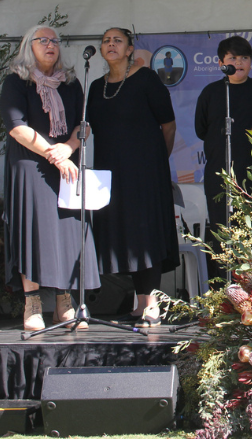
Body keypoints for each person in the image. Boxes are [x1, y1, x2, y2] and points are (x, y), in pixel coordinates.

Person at [0, 25, 98, 331]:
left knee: (69, 233)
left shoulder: (70, 84)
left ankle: (64, 302)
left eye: (54, 40)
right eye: (42, 40)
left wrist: (68, 149)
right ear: (28, 46)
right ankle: (32, 304)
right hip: (30, 165)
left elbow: (84, 126)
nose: (50, 45)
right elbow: (16, 127)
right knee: (33, 232)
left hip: (66, 164)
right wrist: (52, 154)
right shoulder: (16, 82)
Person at [86, 27, 179, 327]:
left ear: (129, 50)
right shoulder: (95, 86)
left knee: (146, 235)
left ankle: (152, 303)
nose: (110, 44)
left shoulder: (146, 79)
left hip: (145, 172)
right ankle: (139, 304)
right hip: (111, 174)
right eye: (106, 41)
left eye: (118, 41)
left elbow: (168, 125)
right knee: (127, 237)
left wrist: (155, 163)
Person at [195, 36, 252, 285]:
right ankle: (225, 292)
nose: (239, 62)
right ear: (221, 62)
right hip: (221, 174)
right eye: (232, 57)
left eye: (244, 58)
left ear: (251, 62)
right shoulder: (211, 92)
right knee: (223, 231)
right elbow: (201, 129)